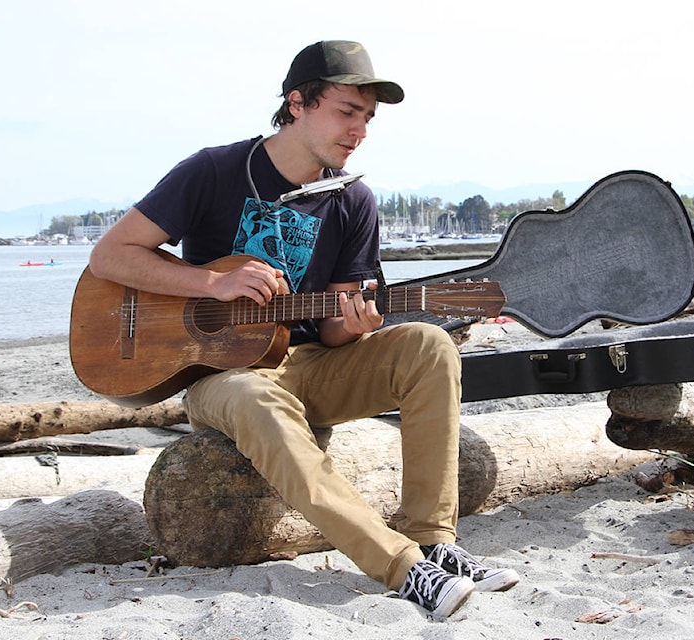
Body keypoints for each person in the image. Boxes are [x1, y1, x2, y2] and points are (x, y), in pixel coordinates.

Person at [89, 40, 518, 620]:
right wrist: (210, 285)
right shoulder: (212, 171)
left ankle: (436, 541)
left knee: (429, 343)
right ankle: (401, 564)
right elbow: (110, 256)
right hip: (222, 374)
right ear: (297, 102)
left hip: (313, 364)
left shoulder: (353, 199)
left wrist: (355, 326)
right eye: (347, 111)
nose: (359, 129)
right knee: (253, 394)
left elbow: (338, 323)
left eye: (367, 118)